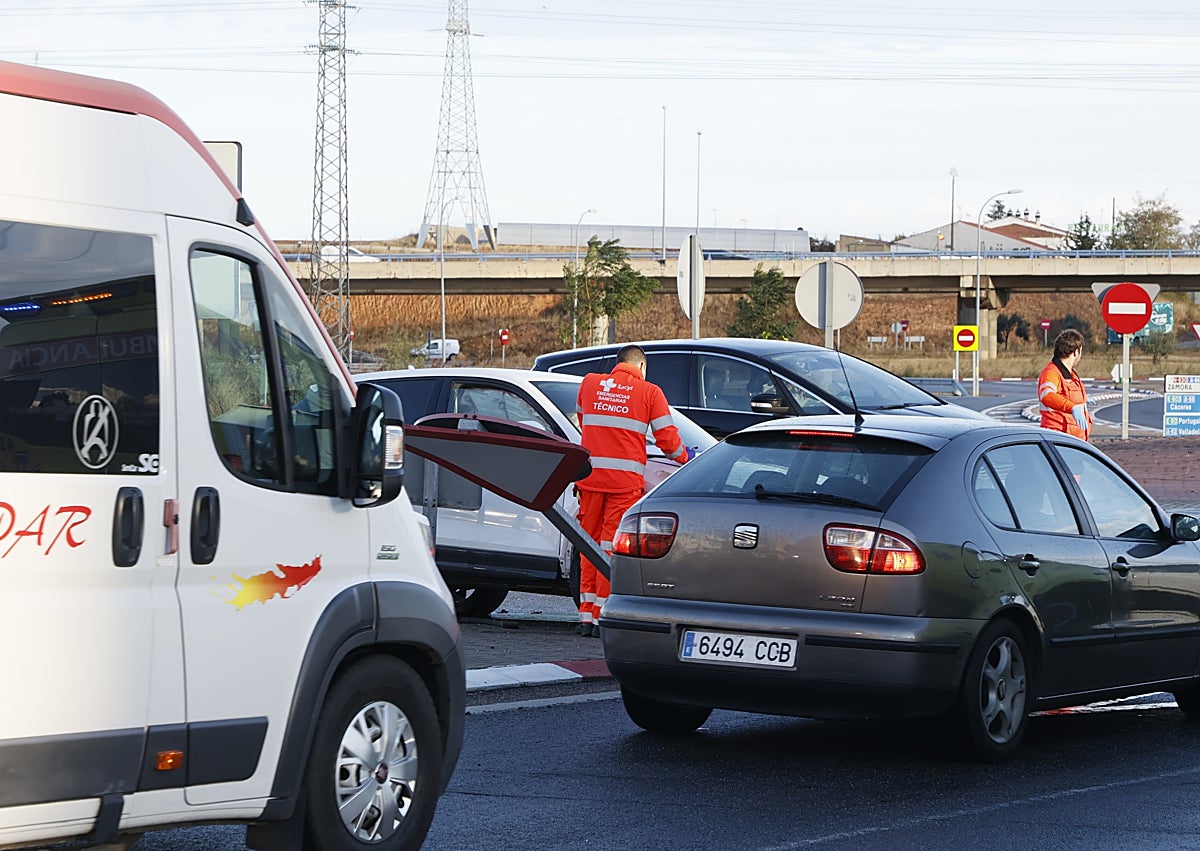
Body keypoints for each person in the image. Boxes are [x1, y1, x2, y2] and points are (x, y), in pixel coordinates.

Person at [574, 344, 690, 636]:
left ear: (618, 363)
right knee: (609, 547)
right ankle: (602, 615)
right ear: (641, 367)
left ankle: (585, 616)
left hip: (589, 480)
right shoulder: (649, 392)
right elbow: (668, 440)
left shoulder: (589, 384)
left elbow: (583, 421)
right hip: (623, 484)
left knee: (587, 545)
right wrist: (687, 460)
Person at [1038, 328, 1091, 440]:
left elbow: (1068, 395)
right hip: (1059, 438)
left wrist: (1084, 399)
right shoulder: (1052, 372)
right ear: (1076, 352)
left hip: (1072, 440)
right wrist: (1072, 408)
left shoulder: (1071, 375)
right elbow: (1047, 395)